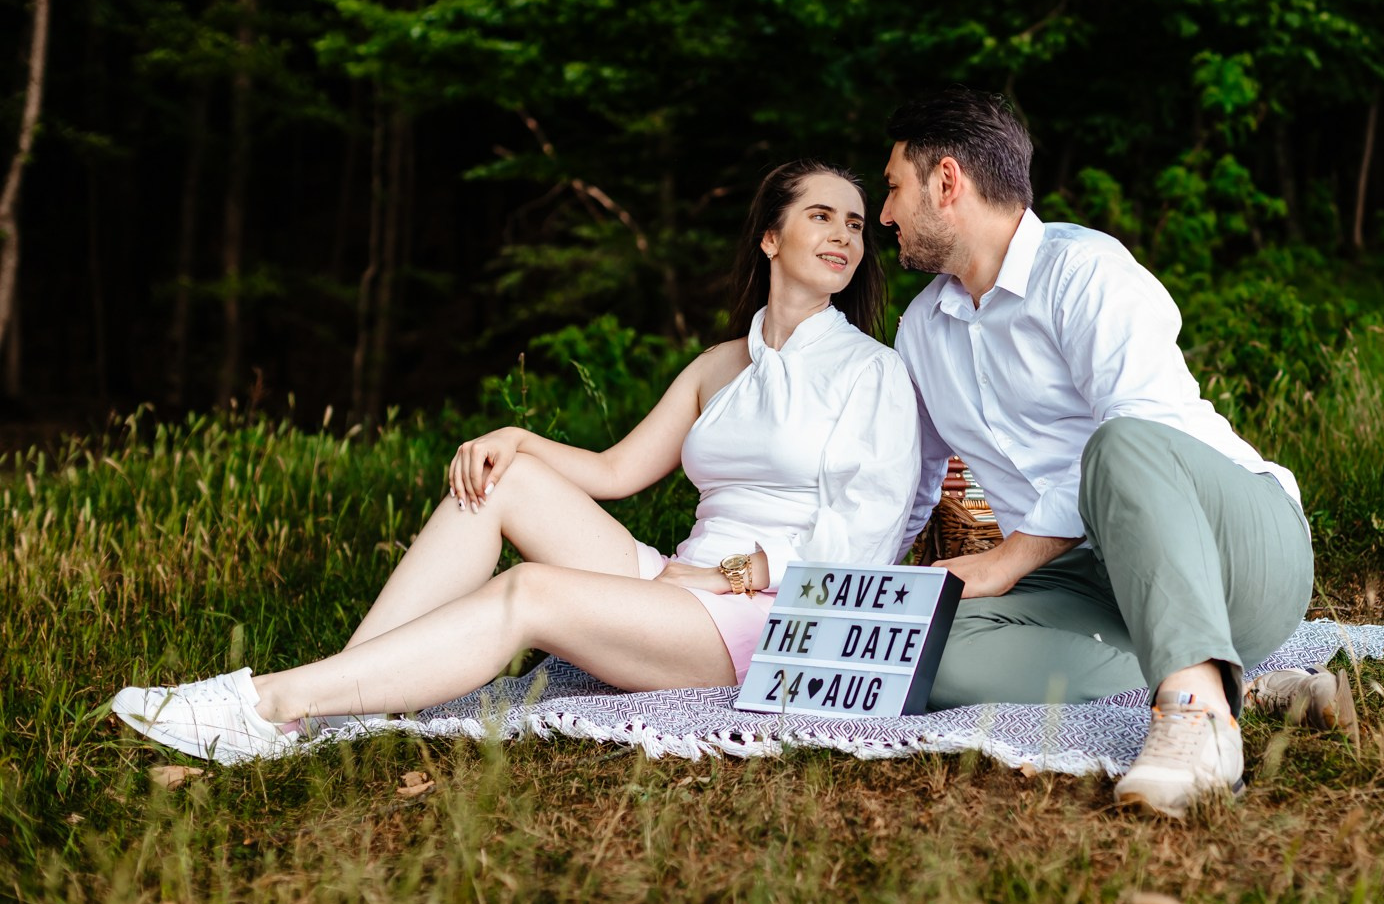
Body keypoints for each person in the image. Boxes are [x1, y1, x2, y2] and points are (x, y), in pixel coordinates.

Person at [113, 161, 921, 764]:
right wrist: (521, 440)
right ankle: (338, 702)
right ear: (772, 237)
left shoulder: (872, 371)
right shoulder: (721, 364)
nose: (846, 235)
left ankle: (269, 702)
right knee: (501, 484)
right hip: (676, 585)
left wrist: (737, 572)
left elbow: (866, 539)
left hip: (767, 620)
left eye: (856, 222)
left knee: (530, 592)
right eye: (823, 216)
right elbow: (613, 471)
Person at [879, 89, 1345, 818]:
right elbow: (912, 484)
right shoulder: (921, 329)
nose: (885, 215)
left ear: (946, 182)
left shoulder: (1088, 271)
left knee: (1119, 442)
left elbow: (1146, 429)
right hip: (1087, 590)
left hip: (1233, 556)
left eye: (892, 188)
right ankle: (1244, 685)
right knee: (916, 653)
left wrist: (1007, 560)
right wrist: (864, 592)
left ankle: (1200, 721)